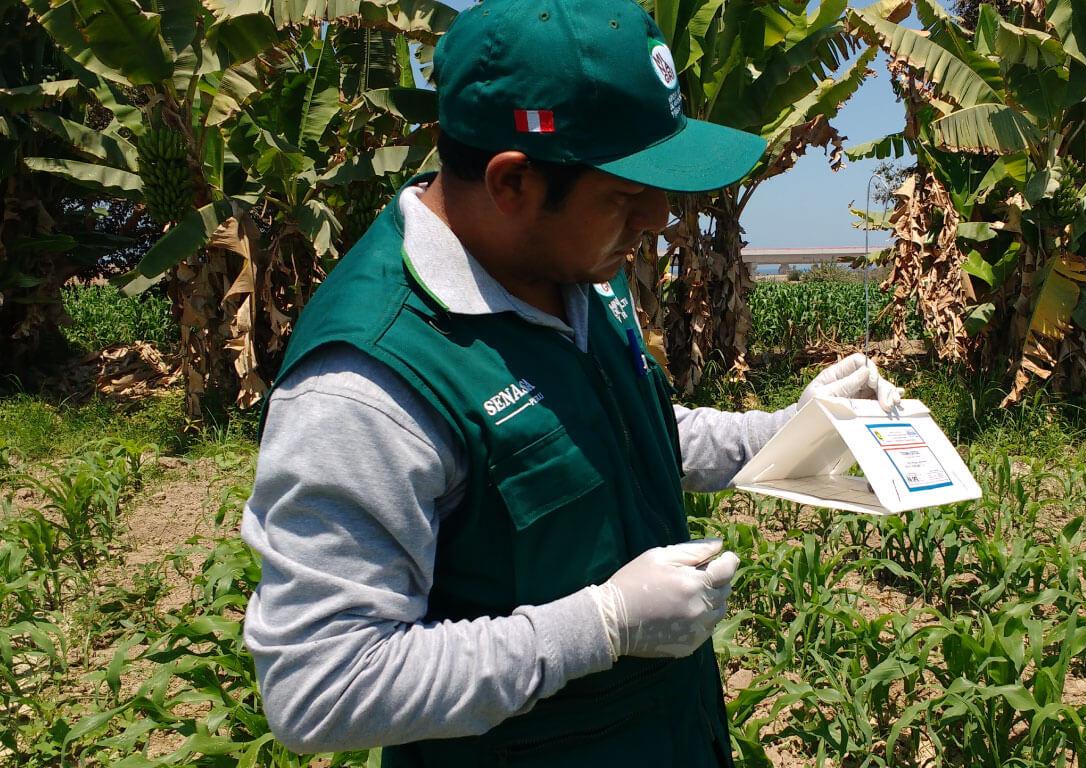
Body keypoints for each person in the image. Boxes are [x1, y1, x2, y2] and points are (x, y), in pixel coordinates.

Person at [240, 0, 903, 764]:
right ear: (513, 183)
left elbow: (616, 431)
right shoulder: (368, 387)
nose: (658, 217)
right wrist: (602, 625)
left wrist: (798, 426)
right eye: (625, 194)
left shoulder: (569, 264)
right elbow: (320, 687)